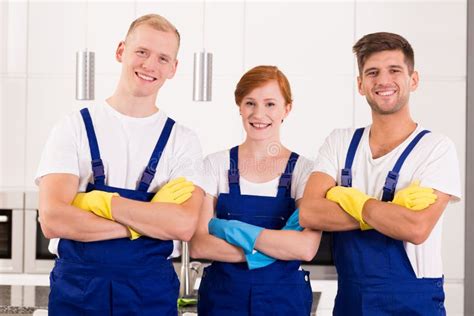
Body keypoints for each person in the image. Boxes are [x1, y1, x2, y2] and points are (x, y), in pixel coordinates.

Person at [36, 14, 204, 315]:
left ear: (173, 68)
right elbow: (53, 220)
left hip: (149, 295)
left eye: (163, 58)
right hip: (78, 292)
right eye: (142, 52)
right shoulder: (73, 128)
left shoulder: (183, 141)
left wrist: (99, 202)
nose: (150, 65)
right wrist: (148, 221)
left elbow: (183, 225)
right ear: (120, 51)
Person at [300, 32, 461, 315]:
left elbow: (416, 228)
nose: (383, 81)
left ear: (414, 80)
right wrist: (393, 211)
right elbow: (311, 212)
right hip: (351, 297)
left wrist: (352, 199)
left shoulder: (436, 149)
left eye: (394, 70)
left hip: (413, 301)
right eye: (372, 72)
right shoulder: (339, 142)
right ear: (361, 85)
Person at [189, 65, 321, 316]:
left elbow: (305, 248)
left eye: (270, 104)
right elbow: (200, 244)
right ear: (239, 106)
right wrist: (276, 248)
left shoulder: (305, 171)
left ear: (287, 109)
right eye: (250, 103)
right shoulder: (215, 165)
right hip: (223, 300)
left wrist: (229, 231)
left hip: (284, 302)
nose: (259, 114)